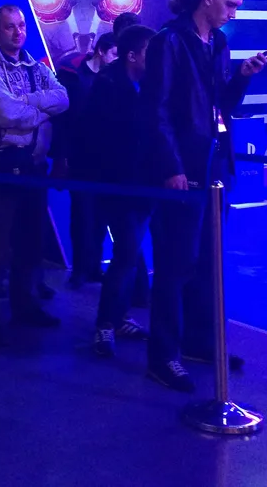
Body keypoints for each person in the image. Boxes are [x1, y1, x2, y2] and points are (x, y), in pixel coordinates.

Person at [142, 0, 267, 392]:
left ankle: (199, 341)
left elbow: (221, 105)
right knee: (176, 261)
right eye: (230, 4)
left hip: (214, 162)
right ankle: (163, 355)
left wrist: (243, 76)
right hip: (183, 165)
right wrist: (171, 166)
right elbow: (157, 109)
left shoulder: (218, 42)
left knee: (208, 260)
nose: (234, 13)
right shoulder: (169, 41)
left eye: (237, 6)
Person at [0, 4, 69, 342]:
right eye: (10, 26)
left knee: (30, 241)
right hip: (0, 166)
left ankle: (25, 305)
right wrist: (41, 111)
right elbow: (5, 113)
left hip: (34, 166)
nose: (18, 32)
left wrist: (27, 100)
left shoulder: (34, 64)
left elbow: (63, 98)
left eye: (21, 25)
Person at [83, 24, 156, 356]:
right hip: (119, 184)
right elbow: (100, 138)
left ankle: (119, 316)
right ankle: (105, 324)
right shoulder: (109, 85)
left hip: (142, 183)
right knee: (126, 252)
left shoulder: (145, 84)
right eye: (149, 52)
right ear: (132, 55)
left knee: (130, 252)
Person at [54, 31, 117, 288]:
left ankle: (93, 266)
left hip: (105, 156)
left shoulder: (112, 78)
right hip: (79, 155)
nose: (117, 59)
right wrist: (62, 156)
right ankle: (80, 269)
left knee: (101, 216)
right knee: (81, 214)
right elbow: (63, 119)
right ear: (101, 50)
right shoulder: (72, 75)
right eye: (114, 54)